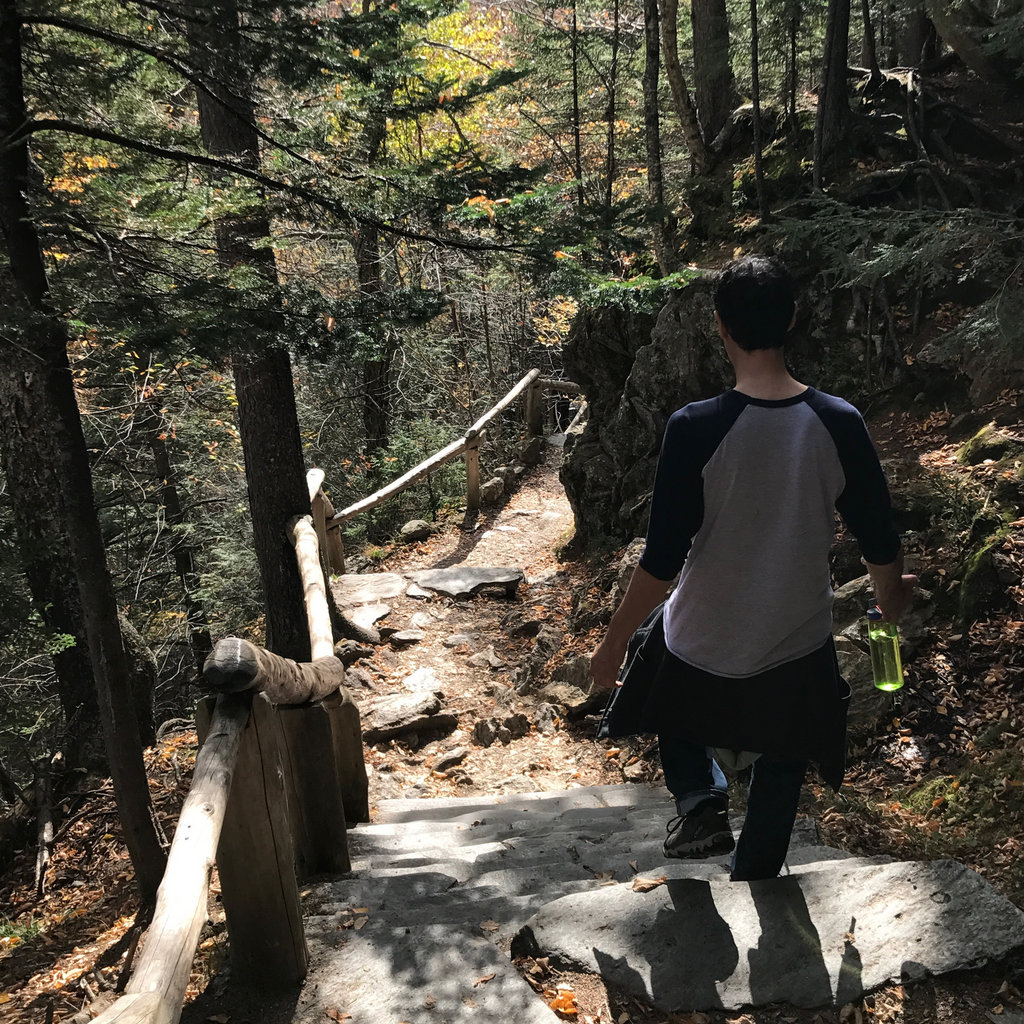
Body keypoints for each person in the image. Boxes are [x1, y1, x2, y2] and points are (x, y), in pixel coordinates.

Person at [589, 255, 916, 881]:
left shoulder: (694, 427)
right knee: (784, 750)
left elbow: (661, 561)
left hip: (704, 638)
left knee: (662, 653)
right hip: (795, 637)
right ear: (791, 318)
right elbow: (879, 539)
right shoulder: (838, 422)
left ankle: (700, 802)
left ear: (720, 326)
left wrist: (611, 644)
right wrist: (888, 600)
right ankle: (759, 873)